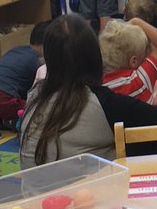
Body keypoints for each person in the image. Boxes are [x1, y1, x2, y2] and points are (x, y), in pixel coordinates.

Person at [19, 14, 114, 167]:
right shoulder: (101, 100)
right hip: (84, 189)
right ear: (94, 55)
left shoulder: (35, 95)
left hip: (34, 190)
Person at [0, 21, 49, 129]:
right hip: (2, 98)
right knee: (42, 108)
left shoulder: (15, 50)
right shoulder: (39, 60)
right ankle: (11, 121)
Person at [100, 17, 157, 100]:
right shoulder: (138, 81)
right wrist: (135, 21)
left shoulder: (102, 84)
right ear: (134, 61)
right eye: (145, 50)